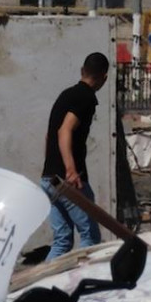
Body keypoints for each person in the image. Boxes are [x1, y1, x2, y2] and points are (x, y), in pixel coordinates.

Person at [40, 52, 109, 261]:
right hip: (68, 181)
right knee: (90, 237)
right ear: (104, 78)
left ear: (82, 71)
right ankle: (82, 285)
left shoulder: (66, 95)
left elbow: (49, 135)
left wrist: (49, 168)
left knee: (62, 240)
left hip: (49, 179)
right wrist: (70, 170)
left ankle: (42, 288)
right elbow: (64, 130)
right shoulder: (85, 97)